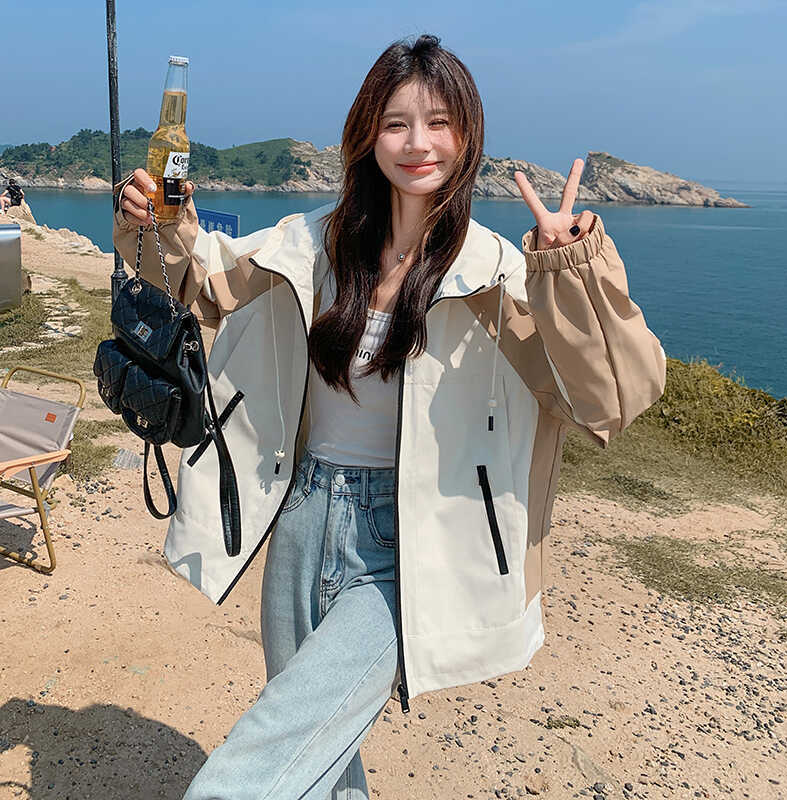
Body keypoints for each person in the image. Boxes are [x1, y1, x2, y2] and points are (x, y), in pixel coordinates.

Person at [112, 33, 667, 800]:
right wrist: (153, 226)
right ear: (368, 134)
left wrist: (569, 272)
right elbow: (199, 286)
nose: (417, 144)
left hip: (406, 544)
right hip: (302, 516)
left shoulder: (496, 275)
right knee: (320, 745)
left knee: (268, 756)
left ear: (467, 137)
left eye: (439, 123)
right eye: (397, 123)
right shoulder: (312, 243)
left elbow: (609, 401)